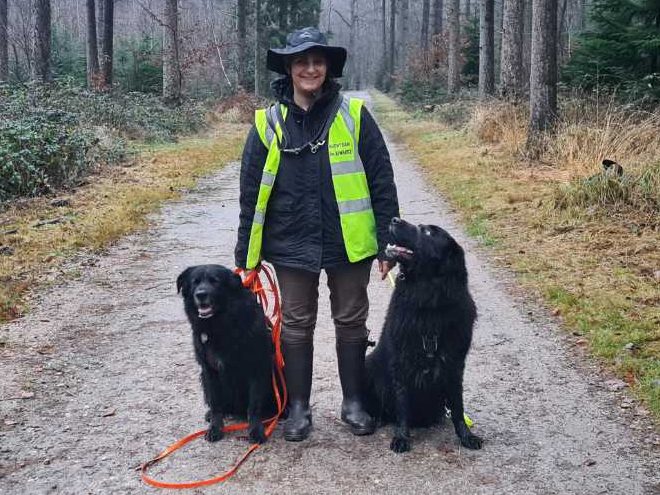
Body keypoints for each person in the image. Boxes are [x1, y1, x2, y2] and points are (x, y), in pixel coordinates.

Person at [234, 26, 399, 442]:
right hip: (290, 244)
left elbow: (382, 181)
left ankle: (355, 402)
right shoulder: (266, 124)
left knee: (351, 320)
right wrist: (245, 258)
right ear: (289, 68)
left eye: (318, 61)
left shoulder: (355, 116)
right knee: (295, 323)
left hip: (349, 244)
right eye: (301, 61)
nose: (310, 68)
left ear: (328, 68)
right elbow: (250, 195)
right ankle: (299, 408)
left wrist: (386, 244)